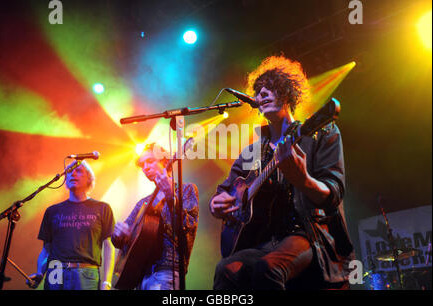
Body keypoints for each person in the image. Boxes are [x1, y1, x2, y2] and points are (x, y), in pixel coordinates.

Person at [210, 55, 355, 290]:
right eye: (259, 91)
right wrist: (216, 204)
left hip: (309, 234)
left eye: (272, 87)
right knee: (225, 269)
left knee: (268, 268)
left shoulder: (319, 132)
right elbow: (224, 193)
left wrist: (304, 180)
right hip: (265, 240)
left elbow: (334, 193)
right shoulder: (253, 152)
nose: (263, 93)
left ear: (288, 92)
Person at [112, 143, 199, 290]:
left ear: (165, 161)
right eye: (142, 164)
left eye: (150, 161)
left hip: (166, 271)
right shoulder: (143, 203)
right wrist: (120, 234)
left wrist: (171, 196)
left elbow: (187, 227)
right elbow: (119, 241)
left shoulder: (186, 189)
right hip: (140, 275)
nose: (145, 167)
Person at [28, 160, 115, 290]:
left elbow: (109, 246)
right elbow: (46, 249)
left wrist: (107, 282)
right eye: (69, 171)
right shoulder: (52, 211)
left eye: (78, 171)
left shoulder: (102, 208)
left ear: (89, 179)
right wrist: (40, 272)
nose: (73, 173)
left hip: (86, 273)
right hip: (55, 271)